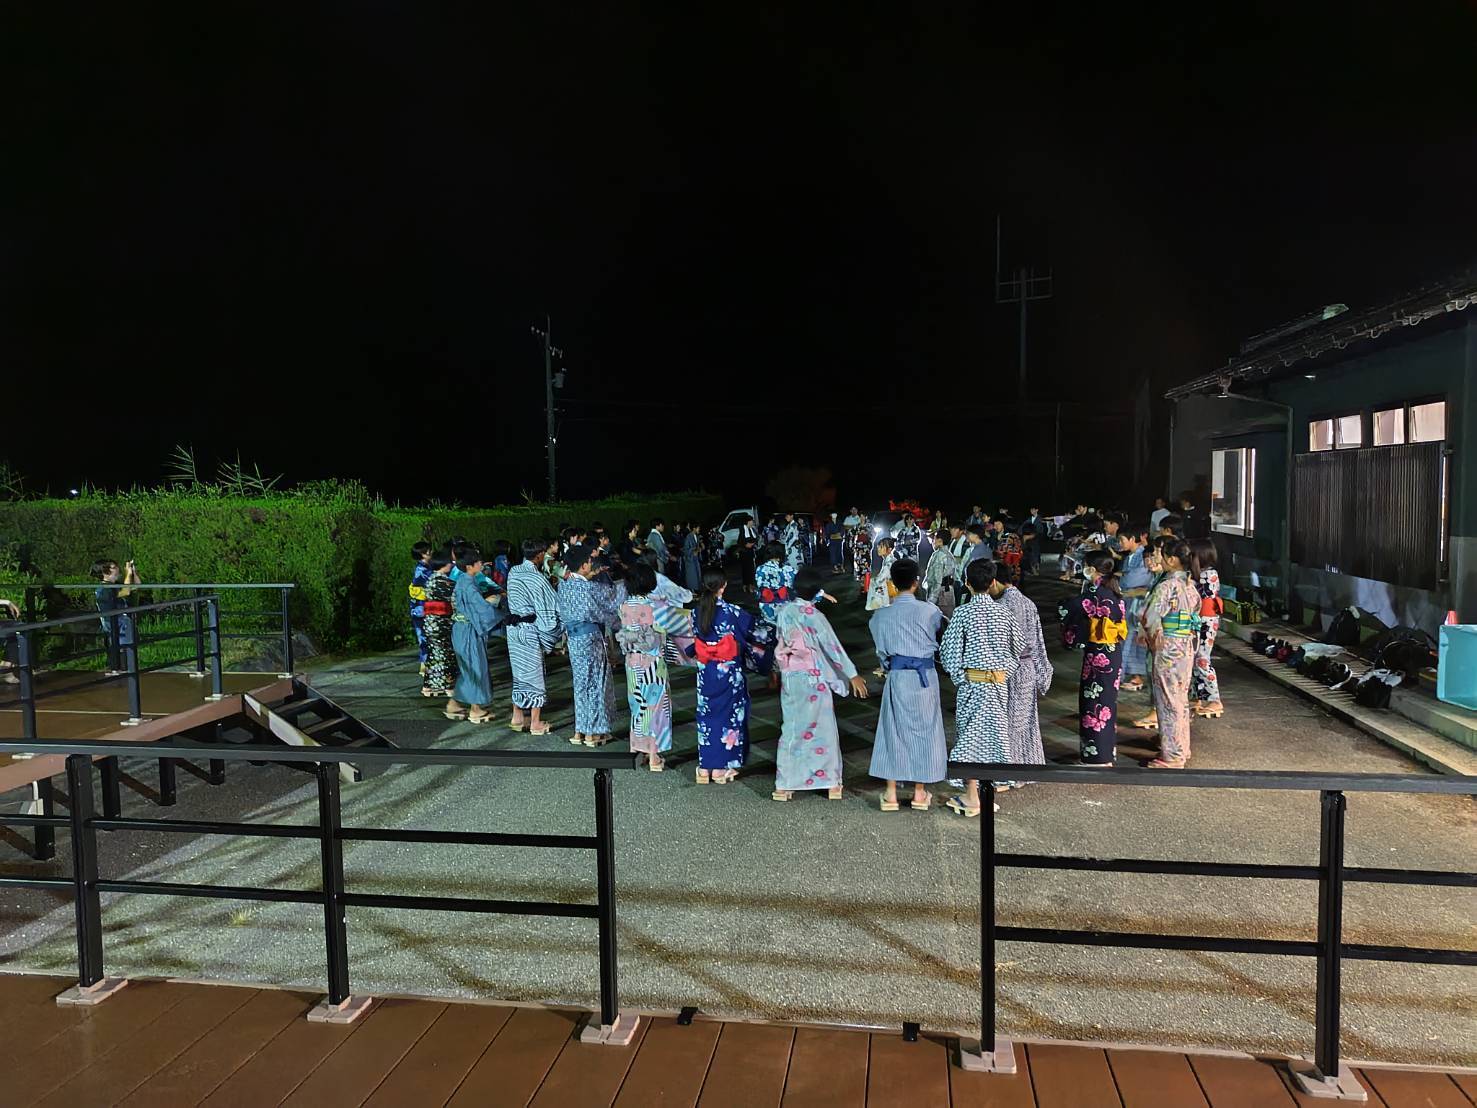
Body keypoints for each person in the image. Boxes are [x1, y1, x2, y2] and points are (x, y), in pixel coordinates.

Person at [772, 567, 869, 802]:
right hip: (813, 677)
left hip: (791, 676)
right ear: (816, 590)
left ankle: (785, 783)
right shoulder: (814, 616)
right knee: (823, 729)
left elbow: (779, 641)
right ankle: (830, 781)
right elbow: (832, 646)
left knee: (792, 727)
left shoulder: (784, 611)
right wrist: (851, 674)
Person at [938, 559, 1021, 817]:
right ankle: (985, 794)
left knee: (970, 737)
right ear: (993, 582)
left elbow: (949, 652)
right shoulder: (1004, 613)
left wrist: (960, 677)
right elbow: (1017, 648)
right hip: (998, 686)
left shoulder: (963, 614)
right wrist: (1004, 672)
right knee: (993, 736)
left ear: (967, 584)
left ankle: (972, 796)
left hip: (973, 685)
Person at [868, 558, 947, 811]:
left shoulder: (880, 615)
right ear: (916, 583)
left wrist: (887, 665)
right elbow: (941, 640)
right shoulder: (930, 611)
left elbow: (882, 652)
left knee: (892, 730)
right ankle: (919, 793)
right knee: (925, 731)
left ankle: (891, 793)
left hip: (898, 676)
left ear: (892, 583)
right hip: (924, 677)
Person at [688, 568, 766, 783]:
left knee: (706, 717)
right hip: (728, 671)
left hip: (706, 671)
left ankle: (705, 767)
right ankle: (722, 768)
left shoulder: (696, 612)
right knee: (729, 717)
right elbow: (756, 632)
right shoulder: (731, 611)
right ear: (722, 586)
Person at [985, 558, 1051, 782]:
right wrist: (1041, 672)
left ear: (994, 582)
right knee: (1027, 723)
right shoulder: (1028, 603)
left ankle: (1008, 775)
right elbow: (1039, 643)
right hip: (1028, 667)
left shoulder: (1000, 607)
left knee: (1007, 722)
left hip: (1008, 670)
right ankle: (1027, 771)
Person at [1059, 552, 1128, 765]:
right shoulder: (1113, 589)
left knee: (1094, 703)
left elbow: (1066, 609)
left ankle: (1096, 757)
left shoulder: (1095, 592)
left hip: (1098, 653)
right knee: (1107, 703)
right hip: (1112, 650)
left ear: (1093, 569)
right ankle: (1105, 753)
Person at [1143, 537, 1200, 768]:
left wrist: (1150, 637)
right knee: (1180, 699)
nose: (1160, 559)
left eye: (1163, 555)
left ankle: (1173, 755)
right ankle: (1182, 747)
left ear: (1173, 560)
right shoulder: (1190, 585)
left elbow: (1150, 617)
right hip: (1185, 645)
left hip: (1168, 646)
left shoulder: (1167, 586)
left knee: (1168, 700)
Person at [557, 544, 620, 747]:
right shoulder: (588, 588)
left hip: (574, 638)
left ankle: (580, 730)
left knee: (581, 683)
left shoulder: (563, 585)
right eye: (590, 562)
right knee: (595, 682)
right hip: (590, 637)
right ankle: (593, 732)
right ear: (584, 565)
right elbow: (610, 603)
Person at [615, 563, 673, 770]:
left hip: (632, 660)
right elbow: (664, 631)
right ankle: (654, 755)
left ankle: (637, 748)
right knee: (655, 706)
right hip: (652, 661)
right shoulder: (654, 606)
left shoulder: (624, 606)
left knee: (637, 704)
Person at [506, 537, 563, 735]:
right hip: (529, 629)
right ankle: (536, 722)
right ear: (539, 555)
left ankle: (517, 717)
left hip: (513, 629)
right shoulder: (537, 578)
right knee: (534, 674)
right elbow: (550, 607)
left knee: (519, 674)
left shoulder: (513, 571)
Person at [449, 545, 502, 724]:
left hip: (461, 628)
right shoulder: (469, 585)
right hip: (468, 630)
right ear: (469, 566)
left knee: (469, 668)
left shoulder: (463, 581)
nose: (481, 564)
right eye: (478, 562)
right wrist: (497, 606)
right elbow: (481, 609)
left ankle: (454, 704)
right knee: (475, 667)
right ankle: (476, 709)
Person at [1189, 537, 1225, 719]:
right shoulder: (1200, 573)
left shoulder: (1209, 574)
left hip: (1206, 621)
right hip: (1199, 619)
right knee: (1194, 658)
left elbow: (1198, 594)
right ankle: (1197, 697)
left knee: (1202, 659)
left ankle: (1214, 700)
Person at [1117, 523, 1154, 693]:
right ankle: (1133, 675)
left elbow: (1133, 580)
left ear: (1132, 539)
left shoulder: (1143, 556)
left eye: (1122, 540)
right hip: (1129, 601)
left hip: (1138, 603)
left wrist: (1123, 583)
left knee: (1134, 639)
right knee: (1129, 639)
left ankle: (1136, 676)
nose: (1120, 543)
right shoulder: (1130, 557)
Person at [421, 548, 458, 699]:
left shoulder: (430, 579)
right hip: (442, 622)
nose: (451, 564)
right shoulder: (445, 582)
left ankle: (429, 685)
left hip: (429, 621)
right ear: (445, 563)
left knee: (434, 653)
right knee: (446, 654)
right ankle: (448, 685)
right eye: (450, 562)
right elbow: (455, 600)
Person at [91, 557, 139, 674]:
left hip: (122, 622)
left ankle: (123, 670)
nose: (117, 569)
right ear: (105, 572)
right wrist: (128, 574)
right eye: (113, 567)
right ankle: (120, 670)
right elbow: (126, 591)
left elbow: (136, 586)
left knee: (125, 645)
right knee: (121, 646)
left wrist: (133, 573)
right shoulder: (105, 588)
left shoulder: (114, 585)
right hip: (115, 622)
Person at [754, 541, 796, 621]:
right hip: (784, 608)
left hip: (766, 608)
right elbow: (799, 584)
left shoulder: (760, 569)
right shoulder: (788, 570)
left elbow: (759, 586)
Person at [408, 541, 433, 673]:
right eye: (429, 551)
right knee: (424, 637)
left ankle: (426, 665)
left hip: (421, 607)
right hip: (421, 608)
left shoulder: (426, 567)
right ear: (423, 554)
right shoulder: (422, 570)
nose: (431, 553)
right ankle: (425, 666)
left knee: (425, 637)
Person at [921, 527, 953, 602]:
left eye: (934, 539)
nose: (932, 542)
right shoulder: (949, 555)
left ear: (940, 541)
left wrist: (932, 600)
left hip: (939, 596)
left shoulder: (939, 555)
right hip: (948, 592)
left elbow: (937, 580)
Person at [865, 536, 896, 612]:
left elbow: (881, 578)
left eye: (881, 547)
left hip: (890, 591)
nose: (878, 549)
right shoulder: (888, 559)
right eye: (878, 547)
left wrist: (872, 581)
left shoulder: (890, 562)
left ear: (889, 549)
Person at [682, 521, 703, 593]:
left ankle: (696, 589)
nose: (699, 529)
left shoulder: (696, 536)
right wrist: (694, 550)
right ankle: (692, 590)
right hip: (690, 559)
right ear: (694, 528)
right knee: (692, 575)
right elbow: (685, 549)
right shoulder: (688, 537)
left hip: (695, 558)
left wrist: (698, 549)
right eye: (698, 528)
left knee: (697, 574)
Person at [1022, 508, 1043, 575]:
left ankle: (1034, 568)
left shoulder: (1040, 519)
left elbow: (1040, 530)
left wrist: (1033, 535)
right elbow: (1022, 528)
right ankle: (1030, 569)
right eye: (1031, 510)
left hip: (1035, 539)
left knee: (1034, 554)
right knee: (1028, 554)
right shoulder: (1028, 519)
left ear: (1037, 510)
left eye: (1033, 509)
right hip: (1027, 539)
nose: (1031, 511)